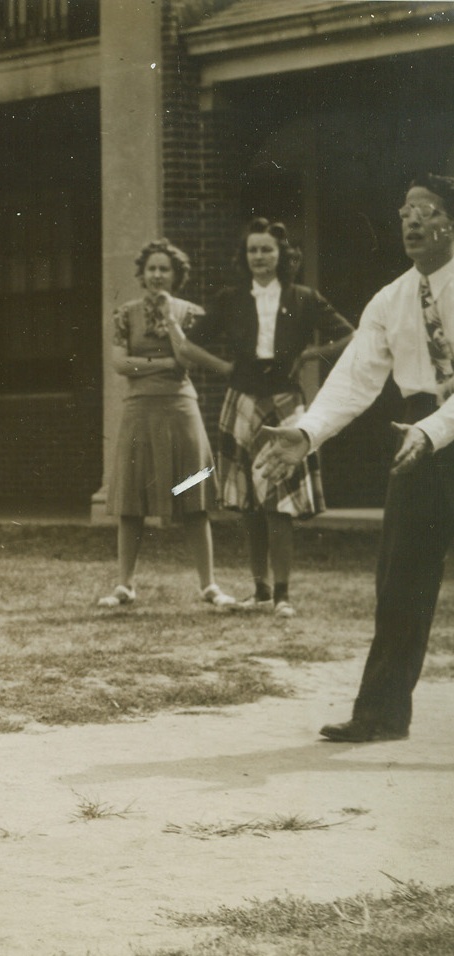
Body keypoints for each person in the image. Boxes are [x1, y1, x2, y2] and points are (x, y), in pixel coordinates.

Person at [257, 173, 454, 742]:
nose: (411, 219)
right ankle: (380, 715)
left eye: (427, 209)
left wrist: (434, 429)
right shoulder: (389, 300)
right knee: (399, 583)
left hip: (435, 430)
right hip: (417, 442)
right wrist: (307, 431)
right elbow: (354, 378)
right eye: (405, 209)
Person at [172, 218, 353, 618]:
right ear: (245, 256)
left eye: (267, 250)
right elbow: (187, 346)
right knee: (251, 502)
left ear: (282, 255)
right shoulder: (229, 299)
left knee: (279, 502)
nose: (260, 257)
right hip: (242, 401)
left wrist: (309, 356)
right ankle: (260, 589)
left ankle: (284, 594)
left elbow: (351, 336)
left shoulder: (304, 298)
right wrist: (225, 370)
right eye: (253, 250)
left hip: (286, 404)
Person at [98, 240, 235, 610]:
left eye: (165, 269)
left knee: (194, 495)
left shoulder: (191, 313)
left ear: (176, 276)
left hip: (180, 410)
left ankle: (209, 585)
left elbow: (187, 358)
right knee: (131, 500)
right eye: (152, 269)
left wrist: (170, 328)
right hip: (139, 410)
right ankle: (124, 584)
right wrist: (161, 364)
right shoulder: (124, 314)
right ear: (141, 274)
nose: (157, 275)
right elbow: (120, 364)